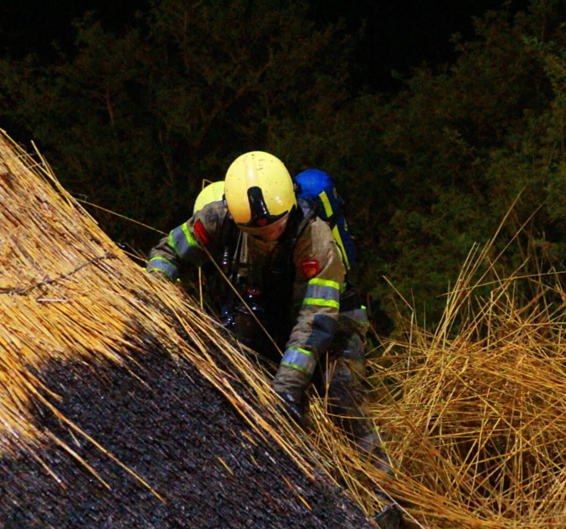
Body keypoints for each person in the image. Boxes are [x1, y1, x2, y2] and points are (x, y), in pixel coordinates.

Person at [146, 151, 389, 472]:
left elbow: (314, 321)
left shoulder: (315, 239)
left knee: (342, 396)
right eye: (257, 233)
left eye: (277, 225)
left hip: (331, 317)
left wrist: (287, 387)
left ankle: (383, 486)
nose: (270, 234)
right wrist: (152, 294)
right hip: (267, 312)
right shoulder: (218, 219)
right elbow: (169, 252)